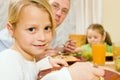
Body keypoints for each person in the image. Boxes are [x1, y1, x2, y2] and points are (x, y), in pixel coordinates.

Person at [0, 0, 104, 80]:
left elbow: (27, 70)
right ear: (11, 29)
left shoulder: (28, 59)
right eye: (31, 29)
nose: (42, 37)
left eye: (47, 28)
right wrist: (67, 75)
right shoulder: (7, 60)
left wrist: (44, 63)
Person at [0, 0, 76, 55]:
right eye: (55, 6)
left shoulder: (53, 33)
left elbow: (48, 50)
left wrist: (62, 50)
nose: (59, 13)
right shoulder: (5, 40)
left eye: (64, 11)